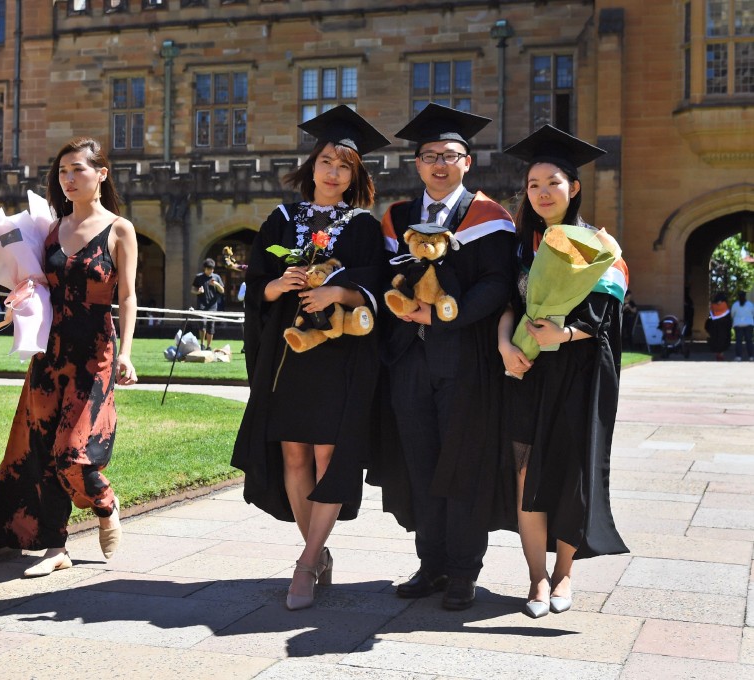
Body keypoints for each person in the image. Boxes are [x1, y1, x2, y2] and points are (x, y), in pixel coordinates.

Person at [232, 105, 388, 610]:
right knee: (293, 453)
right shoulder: (281, 219)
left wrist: (337, 294)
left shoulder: (364, 226)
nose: (332, 172)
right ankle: (315, 552)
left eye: (343, 165)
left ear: (355, 175)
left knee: (328, 453)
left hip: (339, 357)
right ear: (311, 165)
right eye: (325, 161)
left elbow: (378, 285)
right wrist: (278, 285)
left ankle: (305, 565)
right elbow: (255, 285)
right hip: (287, 357)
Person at [368, 103, 517, 611]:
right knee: (420, 463)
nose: (438, 164)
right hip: (409, 361)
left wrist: (442, 317)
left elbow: (498, 284)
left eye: (449, 155)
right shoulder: (398, 218)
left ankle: (462, 571)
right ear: (416, 163)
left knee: (463, 463)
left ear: (467, 162)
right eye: (429, 155)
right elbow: (384, 279)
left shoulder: (490, 218)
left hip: (465, 361)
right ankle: (430, 563)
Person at [0, 138, 138, 577]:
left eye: (77, 170)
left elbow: (127, 296)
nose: (68, 179)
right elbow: (37, 283)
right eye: (62, 172)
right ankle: (55, 546)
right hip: (50, 353)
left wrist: (127, 352)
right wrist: (18, 301)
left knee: (72, 451)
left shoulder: (119, 229)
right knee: (42, 448)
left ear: (101, 174)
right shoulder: (50, 229)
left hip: (95, 352)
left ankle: (106, 503)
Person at [498, 125, 630, 618]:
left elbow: (606, 320)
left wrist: (565, 334)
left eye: (552, 182)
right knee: (525, 472)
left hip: (577, 373)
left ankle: (564, 575)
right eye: (533, 185)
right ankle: (535, 579)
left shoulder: (598, 245)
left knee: (570, 474)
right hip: (526, 371)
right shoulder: (518, 246)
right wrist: (503, 342)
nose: (542, 193)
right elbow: (506, 303)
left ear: (573, 187)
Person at [192, 257, 225, 350]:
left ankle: (209, 346)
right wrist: (198, 291)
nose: (211, 271)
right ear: (204, 268)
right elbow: (192, 289)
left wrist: (216, 284)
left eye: (212, 269)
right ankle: (202, 344)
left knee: (211, 326)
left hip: (213, 306)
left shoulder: (216, 277)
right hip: (202, 305)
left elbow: (222, 291)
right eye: (209, 269)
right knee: (202, 324)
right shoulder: (199, 277)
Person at [706, 293, 732, 361]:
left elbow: (709, 317)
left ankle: (718, 354)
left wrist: (708, 326)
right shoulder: (725, 308)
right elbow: (729, 320)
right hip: (723, 328)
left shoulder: (713, 307)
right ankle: (721, 354)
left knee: (716, 341)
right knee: (722, 341)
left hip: (714, 328)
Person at [730, 290, 754, 361]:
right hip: (749, 324)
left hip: (738, 324)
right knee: (749, 341)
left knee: (738, 341)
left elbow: (732, 314)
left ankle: (738, 357)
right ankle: (751, 357)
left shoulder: (735, 305)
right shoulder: (750, 304)